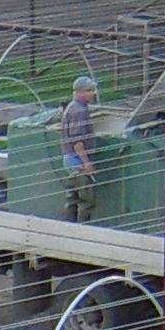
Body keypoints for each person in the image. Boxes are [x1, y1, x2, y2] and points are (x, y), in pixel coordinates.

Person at [58, 74, 103, 220]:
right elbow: (77, 141)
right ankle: (82, 230)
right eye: (89, 90)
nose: (93, 93)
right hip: (77, 160)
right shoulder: (80, 111)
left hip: (69, 158)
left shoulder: (72, 107)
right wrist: (86, 163)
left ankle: (68, 227)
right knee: (86, 200)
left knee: (72, 198)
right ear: (79, 92)